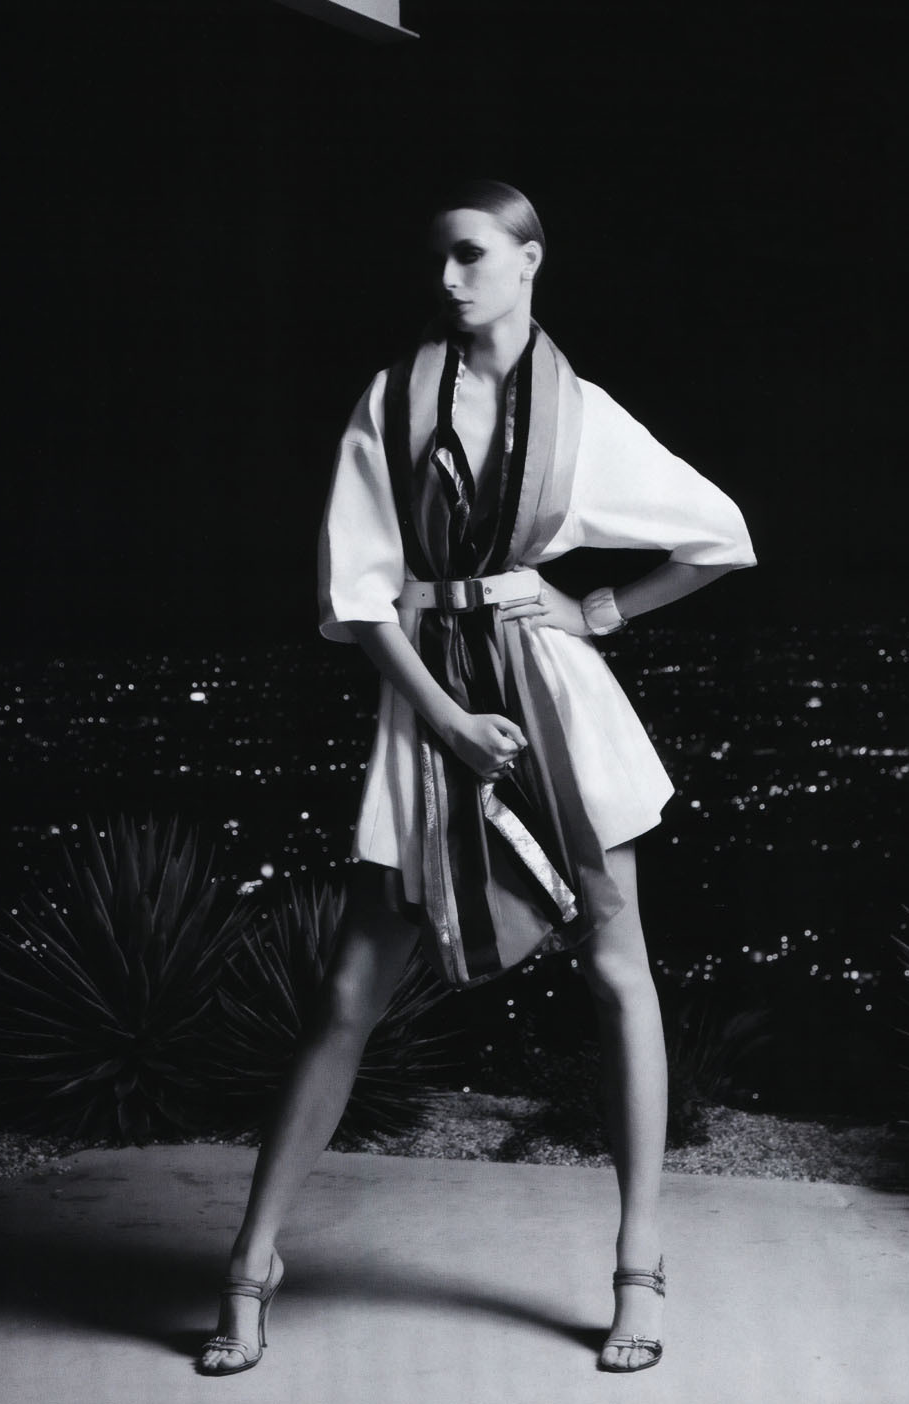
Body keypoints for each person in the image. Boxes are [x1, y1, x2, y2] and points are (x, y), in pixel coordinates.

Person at [198, 179, 755, 1378]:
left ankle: (639, 1261)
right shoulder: (392, 401)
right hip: (432, 706)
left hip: (557, 701)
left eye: (471, 256)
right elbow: (357, 594)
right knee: (350, 991)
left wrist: (599, 608)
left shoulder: (582, 416)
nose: (448, 280)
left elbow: (721, 534)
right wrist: (448, 721)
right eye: (439, 261)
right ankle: (250, 1261)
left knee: (618, 971)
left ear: (530, 259)